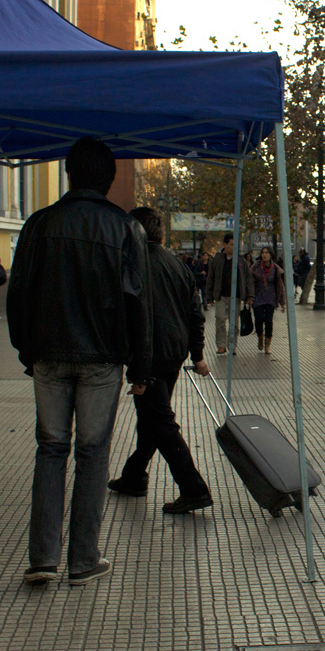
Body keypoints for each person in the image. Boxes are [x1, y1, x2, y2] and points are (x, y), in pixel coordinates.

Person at [7, 137, 151, 587]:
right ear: (108, 178)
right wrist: (140, 366)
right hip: (102, 359)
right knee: (93, 454)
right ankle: (83, 560)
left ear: (69, 173)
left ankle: (43, 558)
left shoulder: (39, 224)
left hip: (48, 354)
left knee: (50, 450)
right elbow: (137, 303)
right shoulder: (125, 228)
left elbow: (18, 293)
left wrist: (26, 350)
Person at [108, 208, 213, 515]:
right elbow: (195, 314)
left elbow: (125, 312)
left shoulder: (132, 264)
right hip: (174, 352)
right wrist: (197, 354)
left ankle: (194, 489)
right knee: (151, 417)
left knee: (161, 421)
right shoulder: (177, 264)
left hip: (148, 354)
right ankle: (134, 475)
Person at [206, 233, 253, 355]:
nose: (233, 247)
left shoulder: (241, 260)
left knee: (234, 322)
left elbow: (248, 278)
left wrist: (249, 295)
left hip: (235, 296)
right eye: (231, 244)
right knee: (220, 319)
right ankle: (221, 345)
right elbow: (211, 277)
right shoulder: (217, 260)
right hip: (221, 295)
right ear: (225, 244)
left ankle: (232, 345)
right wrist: (209, 295)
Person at [250, 246, 286, 354]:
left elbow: (280, 286)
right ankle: (260, 337)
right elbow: (249, 280)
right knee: (258, 320)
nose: (264, 255)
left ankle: (267, 345)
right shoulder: (256, 266)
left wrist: (282, 302)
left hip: (271, 297)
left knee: (269, 321)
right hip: (258, 296)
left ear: (271, 255)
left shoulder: (276, 268)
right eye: (263, 252)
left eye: (266, 252)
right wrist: (249, 296)